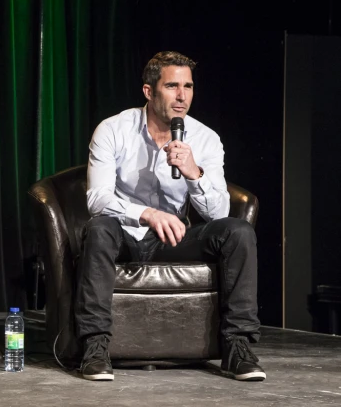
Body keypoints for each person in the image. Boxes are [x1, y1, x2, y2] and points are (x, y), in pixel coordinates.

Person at [77, 51, 264, 382]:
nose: (182, 97)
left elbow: (218, 213)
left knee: (237, 232)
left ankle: (238, 348)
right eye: (172, 86)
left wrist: (194, 173)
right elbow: (98, 199)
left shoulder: (204, 139)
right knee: (99, 227)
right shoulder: (113, 130)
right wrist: (146, 214)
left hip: (174, 238)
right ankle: (94, 347)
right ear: (149, 92)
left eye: (188, 87)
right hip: (124, 235)